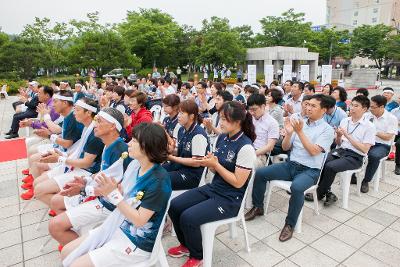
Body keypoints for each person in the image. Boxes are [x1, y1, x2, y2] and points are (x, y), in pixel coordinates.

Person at [60, 123, 172, 267]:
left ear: (147, 147)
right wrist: (87, 188)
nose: (129, 144)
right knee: (66, 252)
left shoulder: (159, 181)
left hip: (136, 242)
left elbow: (139, 221)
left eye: (134, 141)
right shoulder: (135, 166)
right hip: (119, 225)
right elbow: (121, 196)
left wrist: (114, 195)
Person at [167, 101, 256, 267]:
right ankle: (186, 245)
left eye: (224, 119)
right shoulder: (222, 137)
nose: (220, 123)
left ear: (237, 122)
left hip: (230, 198)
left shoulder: (246, 147)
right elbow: (216, 170)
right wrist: (211, 164)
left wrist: (215, 165)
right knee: (175, 205)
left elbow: (238, 183)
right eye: (220, 118)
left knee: (189, 217)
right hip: (214, 188)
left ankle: (198, 256)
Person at [245, 94, 334, 242]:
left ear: (323, 110)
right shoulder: (300, 122)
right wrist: (289, 133)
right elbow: (286, 147)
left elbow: (313, 151)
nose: (308, 108)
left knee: (297, 188)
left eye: (313, 106)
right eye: (308, 104)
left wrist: (299, 131)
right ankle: (258, 207)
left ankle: (290, 224)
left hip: (310, 170)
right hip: (291, 164)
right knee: (261, 173)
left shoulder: (327, 130)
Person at [48, 108, 131, 247]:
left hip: (110, 205)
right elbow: (103, 173)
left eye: (99, 121)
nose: (95, 124)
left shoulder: (120, 151)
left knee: (55, 226)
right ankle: (75, 240)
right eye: (95, 120)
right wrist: (86, 180)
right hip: (100, 194)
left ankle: (78, 250)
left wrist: (83, 190)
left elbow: (113, 189)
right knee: (56, 201)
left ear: (112, 126)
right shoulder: (109, 144)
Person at [33, 98, 104, 207]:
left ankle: (64, 209)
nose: (74, 113)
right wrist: (62, 155)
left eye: (77, 110)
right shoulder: (87, 127)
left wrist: (60, 158)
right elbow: (78, 150)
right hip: (75, 163)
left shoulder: (95, 132)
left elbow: (86, 163)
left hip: (86, 171)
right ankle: (62, 207)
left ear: (89, 112)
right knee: (37, 183)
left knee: (39, 189)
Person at [306, 95, 375, 206]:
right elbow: (339, 143)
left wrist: (347, 135)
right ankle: (325, 191)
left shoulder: (369, 126)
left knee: (330, 166)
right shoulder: (345, 121)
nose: (352, 108)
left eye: (356, 106)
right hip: (341, 150)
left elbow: (364, 149)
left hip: (356, 157)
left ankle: (320, 193)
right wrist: (338, 136)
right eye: (351, 105)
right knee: (322, 159)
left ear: (365, 109)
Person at [21, 91, 84, 200]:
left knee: (36, 160)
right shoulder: (69, 116)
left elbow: (66, 141)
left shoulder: (72, 117)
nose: (53, 105)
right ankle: (39, 187)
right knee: (34, 158)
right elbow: (59, 131)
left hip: (66, 153)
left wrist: (49, 132)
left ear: (65, 103)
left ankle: (42, 189)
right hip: (64, 151)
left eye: (55, 101)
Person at [352, 95, 397, 193]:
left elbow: (388, 136)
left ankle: (366, 180)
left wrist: (374, 131)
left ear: (382, 107)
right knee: (353, 149)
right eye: (370, 106)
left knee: (374, 156)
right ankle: (353, 176)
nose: (370, 109)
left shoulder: (391, 118)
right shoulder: (367, 116)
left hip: (382, 145)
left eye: (373, 107)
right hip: (367, 141)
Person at [163, 100, 209, 190]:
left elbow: (196, 163)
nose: (178, 116)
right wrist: (169, 151)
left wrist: (172, 158)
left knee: (159, 179)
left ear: (191, 116)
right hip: (179, 165)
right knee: (154, 170)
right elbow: (181, 152)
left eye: (182, 113)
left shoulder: (198, 135)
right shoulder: (182, 130)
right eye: (179, 112)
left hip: (191, 174)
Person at [247, 94, 279, 168]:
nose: (252, 112)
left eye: (254, 109)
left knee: (246, 165)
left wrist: (252, 153)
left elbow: (270, 146)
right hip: (247, 149)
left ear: (263, 106)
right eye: (250, 109)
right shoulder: (249, 118)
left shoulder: (272, 123)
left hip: (260, 155)